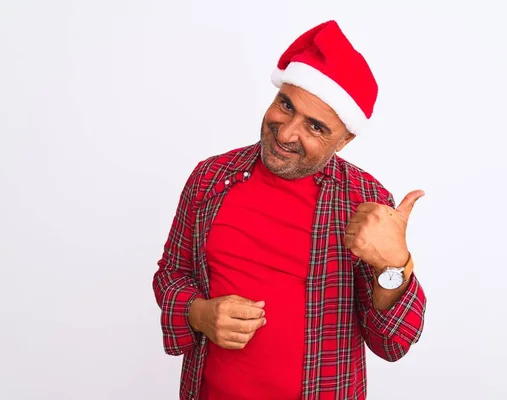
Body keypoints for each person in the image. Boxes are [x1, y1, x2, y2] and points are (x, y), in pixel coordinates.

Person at [152, 20, 427, 400]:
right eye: (286, 105)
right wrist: (198, 313)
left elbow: (392, 343)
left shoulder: (366, 201)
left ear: (344, 140)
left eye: (315, 127)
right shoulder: (211, 178)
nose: (285, 133)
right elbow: (172, 273)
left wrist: (394, 263)